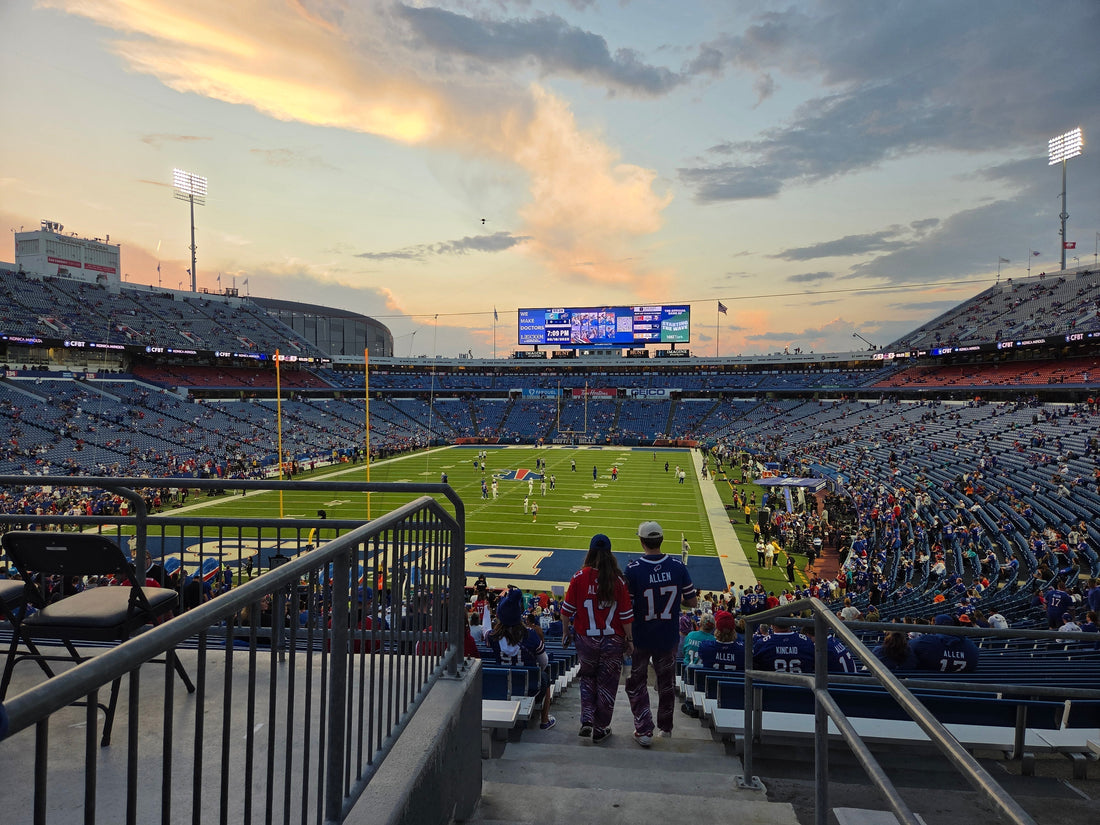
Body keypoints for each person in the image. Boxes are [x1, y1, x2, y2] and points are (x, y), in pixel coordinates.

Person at [624, 521, 697, 747]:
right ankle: (665, 728)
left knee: (637, 682)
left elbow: (627, 605)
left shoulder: (633, 569)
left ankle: (644, 729)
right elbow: (691, 601)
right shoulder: (677, 566)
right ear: (661, 540)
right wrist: (673, 600)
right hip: (667, 635)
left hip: (641, 636)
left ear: (641, 541)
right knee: (666, 683)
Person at [561, 534, 634, 745]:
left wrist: (566, 632)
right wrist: (629, 640)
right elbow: (625, 616)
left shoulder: (579, 577)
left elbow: (566, 611)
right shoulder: (618, 580)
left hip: (586, 639)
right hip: (612, 641)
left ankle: (587, 719)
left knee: (588, 678)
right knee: (607, 685)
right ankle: (600, 728)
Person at [487, 586, 555, 730]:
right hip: (530, 687)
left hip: (502, 685)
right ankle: (544, 720)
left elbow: (486, 632)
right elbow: (544, 662)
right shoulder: (530, 636)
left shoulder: (493, 637)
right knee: (545, 676)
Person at [911, 614, 979, 672]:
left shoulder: (925, 641)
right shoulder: (971, 646)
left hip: (927, 684)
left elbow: (908, 648)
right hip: (964, 684)